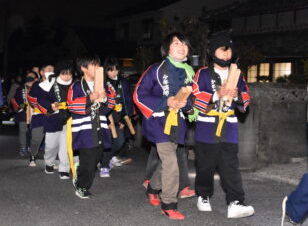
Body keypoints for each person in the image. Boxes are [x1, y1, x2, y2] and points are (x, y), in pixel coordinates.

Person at [192, 31, 254, 218]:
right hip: (206, 125)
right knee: (205, 165)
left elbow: (245, 100)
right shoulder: (202, 73)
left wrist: (237, 96)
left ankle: (235, 201)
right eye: (222, 50)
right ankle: (203, 194)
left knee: (230, 165)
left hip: (229, 125)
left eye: (229, 51)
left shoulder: (237, 74)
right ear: (213, 52)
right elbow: (194, 98)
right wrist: (215, 95)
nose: (226, 54)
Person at [133, 32, 195, 220]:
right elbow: (138, 95)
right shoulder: (156, 69)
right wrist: (165, 102)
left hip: (178, 122)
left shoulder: (188, 71)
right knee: (171, 163)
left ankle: (152, 188)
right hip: (159, 121)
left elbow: (192, 98)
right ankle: (168, 204)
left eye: (184, 44)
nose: (181, 46)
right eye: (176, 43)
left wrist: (187, 105)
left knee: (167, 162)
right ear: (167, 48)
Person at [67, 55, 116, 198]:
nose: (97, 68)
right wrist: (90, 98)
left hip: (99, 126)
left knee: (96, 158)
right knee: (89, 160)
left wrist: (104, 98)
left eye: (98, 65)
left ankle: (80, 170)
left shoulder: (105, 85)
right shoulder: (76, 86)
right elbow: (72, 105)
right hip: (84, 129)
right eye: (94, 65)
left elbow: (111, 104)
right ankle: (82, 186)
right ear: (83, 68)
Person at [36, 60, 73, 179]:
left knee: (66, 146)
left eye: (69, 74)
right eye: (64, 74)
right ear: (58, 73)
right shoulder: (50, 83)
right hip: (53, 118)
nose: (67, 77)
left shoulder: (75, 84)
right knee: (51, 145)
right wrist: (50, 106)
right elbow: (41, 99)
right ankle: (49, 162)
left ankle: (64, 169)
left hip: (69, 119)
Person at [104, 57, 135, 167]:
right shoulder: (102, 82)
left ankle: (108, 158)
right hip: (106, 116)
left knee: (119, 141)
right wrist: (105, 120)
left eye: (116, 70)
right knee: (105, 141)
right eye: (110, 70)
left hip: (119, 117)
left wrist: (124, 119)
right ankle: (104, 161)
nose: (113, 72)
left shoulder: (124, 82)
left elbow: (128, 101)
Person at [27, 64, 54, 167]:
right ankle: (33, 155)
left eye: (53, 70)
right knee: (36, 139)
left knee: (52, 140)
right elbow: (32, 99)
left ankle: (50, 160)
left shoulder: (56, 85)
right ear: (42, 72)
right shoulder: (36, 85)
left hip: (53, 116)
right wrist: (46, 108)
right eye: (49, 70)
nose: (52, 71)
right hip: (39, 115)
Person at [11, 71, 38, 156]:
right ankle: (23, 147)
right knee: (23, 130)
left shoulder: (38, 88)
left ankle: (32, 147)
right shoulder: (21, 88)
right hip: (23, 113)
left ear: (36, 79)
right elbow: (15, 100)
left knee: (34, 131)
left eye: (32, 77)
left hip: (36, 113)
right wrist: (23, 107)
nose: (30, 78)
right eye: (28, 76)